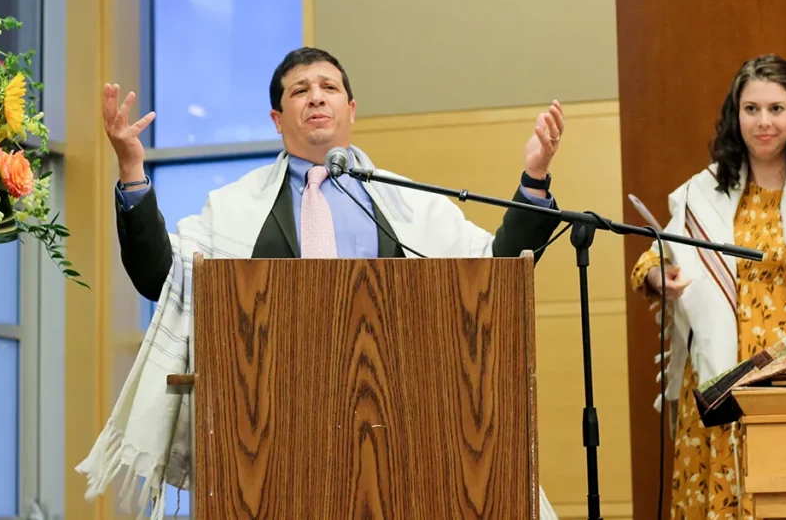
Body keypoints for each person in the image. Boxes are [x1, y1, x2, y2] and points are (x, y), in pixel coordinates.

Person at [78, 46, 567, 518]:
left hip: (403, 434)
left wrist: (535, 178)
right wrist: (131, 168)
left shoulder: (412, 205)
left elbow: (493, 272)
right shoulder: (233, 210)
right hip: (267, 438)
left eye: (328, 87)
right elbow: (159, 278)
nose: (316, 97)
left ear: (350, 109)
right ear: (277, 119)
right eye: (300, 91)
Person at [630, 54, 786, 520]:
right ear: (735, 115)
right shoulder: (703, 193)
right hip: (720, 375)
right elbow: (659, 253)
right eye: (751, 109)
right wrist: (655, 276)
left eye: (775, 109)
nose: (763, 122)